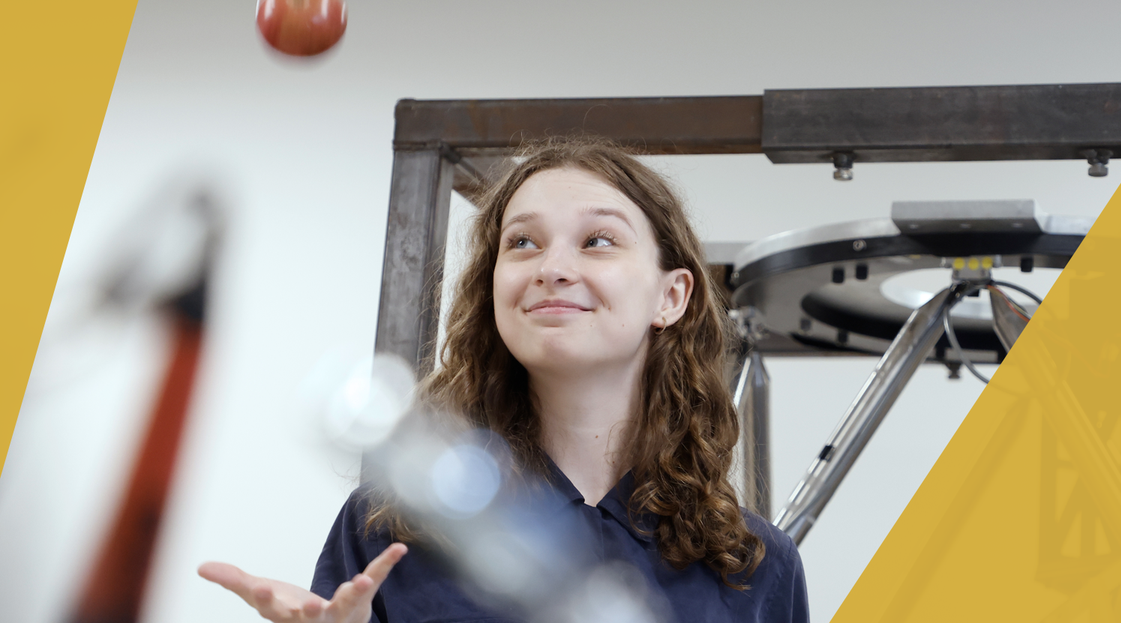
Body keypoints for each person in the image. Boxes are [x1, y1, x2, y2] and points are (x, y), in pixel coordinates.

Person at [199, 137, 809, 622]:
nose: (553, 267)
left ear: (671, 296)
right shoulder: (390, 528)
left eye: (597, 241)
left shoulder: (755, 565)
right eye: (522, 243)